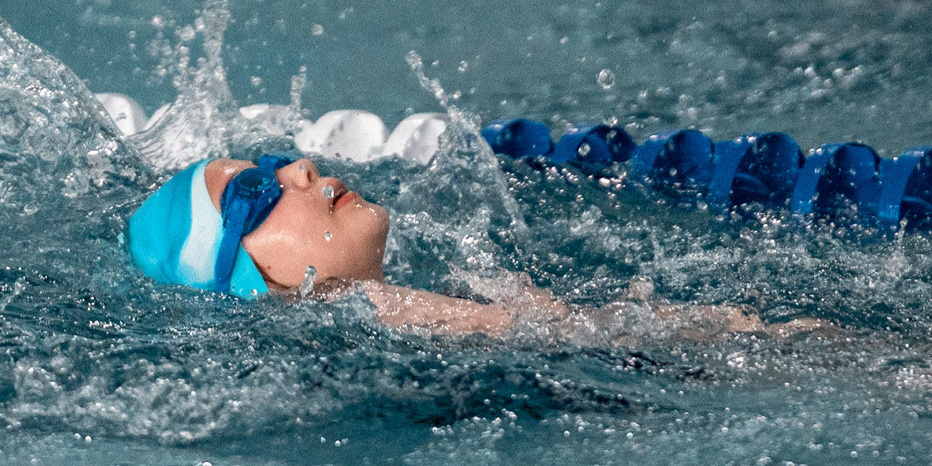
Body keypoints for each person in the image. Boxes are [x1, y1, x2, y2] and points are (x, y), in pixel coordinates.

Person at [126, 153, 818, 338]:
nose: (298, 170)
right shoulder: (370, 310)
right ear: (253, 278)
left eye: (273, 160)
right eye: (255, 195)